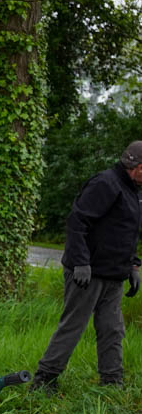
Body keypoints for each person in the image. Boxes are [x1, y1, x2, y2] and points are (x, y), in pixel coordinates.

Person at [31, 140, 142, 391]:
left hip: (113, 275)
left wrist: (133, 267)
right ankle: (44, 380)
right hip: (87, 274)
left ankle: (112, 382)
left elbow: (127, 231)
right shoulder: (106, 184)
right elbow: (77, 221)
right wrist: (81, 262)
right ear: (137, 167)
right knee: (73, 327)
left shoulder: (134, 191)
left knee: (113, 330)